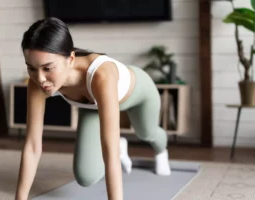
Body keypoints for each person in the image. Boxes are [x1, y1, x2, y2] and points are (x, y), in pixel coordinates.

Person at [15, 17, 171, 200]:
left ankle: (161, 151)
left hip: (140, 92)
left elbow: (108, 149)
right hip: (93, 107)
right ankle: (123, 146)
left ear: (70, 59)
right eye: (31, 68)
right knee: (86, 177)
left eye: (47, 68)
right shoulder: (38, 83)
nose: (40, 78)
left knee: (146, 132)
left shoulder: (100, 75)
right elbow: (32, 146)